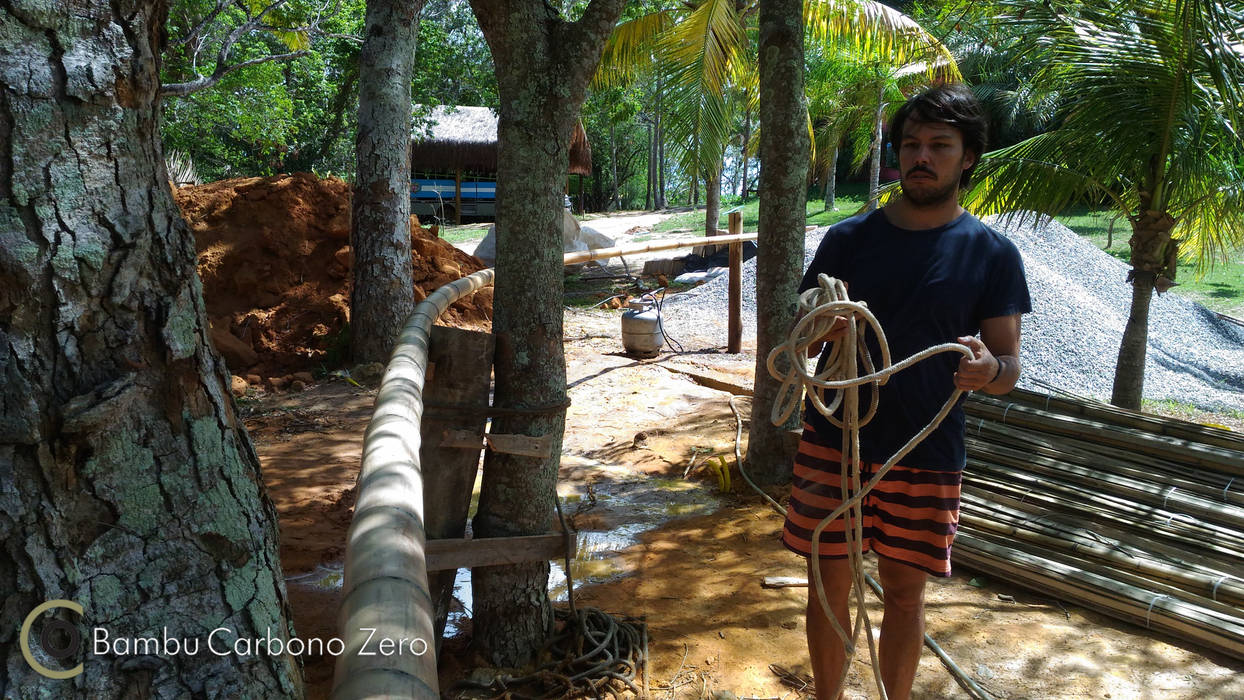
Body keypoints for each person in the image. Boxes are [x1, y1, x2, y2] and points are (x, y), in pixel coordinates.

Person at [782, 83, 1032, 700]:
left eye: (939, 145)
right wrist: (817, 327)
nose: (922, 157)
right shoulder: (846, 240)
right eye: (912, 144)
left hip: (927, 452)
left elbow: (1008, 367)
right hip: (833, 446)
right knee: (828, 584)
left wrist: (987, 371)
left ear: (967, 156)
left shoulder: (992, 254)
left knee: (903, 590)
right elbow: (803, 344)